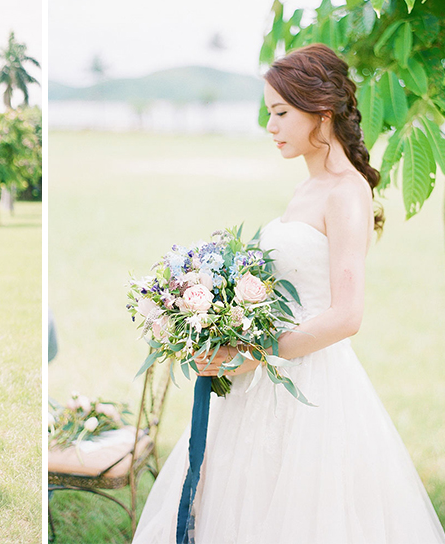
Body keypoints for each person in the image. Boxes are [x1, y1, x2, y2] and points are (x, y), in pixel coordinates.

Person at [133, 44, 445, 543]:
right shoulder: (306, 187)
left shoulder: (346, 191)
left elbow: (347, 315)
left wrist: (257, 351)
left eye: (280, 112)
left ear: (320, 111)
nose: (270, 126)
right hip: (261, 379)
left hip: (313, 385)